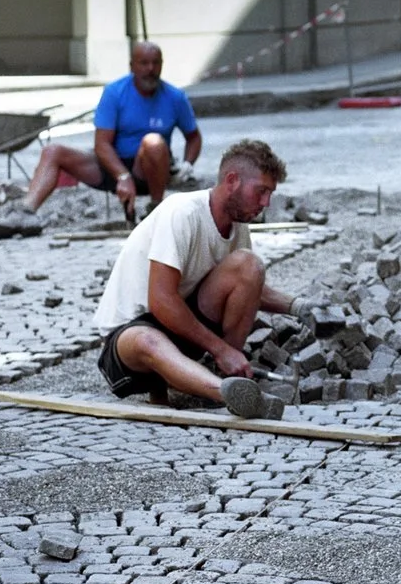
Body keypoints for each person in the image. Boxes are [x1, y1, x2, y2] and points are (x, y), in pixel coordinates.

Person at [94, 138, 293, 418]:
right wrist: (220, 348)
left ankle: (221, 371)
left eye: (269, 194)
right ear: (232, 180)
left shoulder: (238, 226)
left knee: (250, 265)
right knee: (147, 340)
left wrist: (298, 306)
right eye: (261, 191)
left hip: (183, 329)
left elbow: (253, 287)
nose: (266, 203)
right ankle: (225, 391)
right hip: (129, 340)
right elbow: (161, 300)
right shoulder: (182, 212)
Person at [27, 41, 201, 221]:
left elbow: (194, 137)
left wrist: (187, 164)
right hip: (112, 164)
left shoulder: (175, 97)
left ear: (162, 65)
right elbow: (102, 144)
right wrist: (123, 176)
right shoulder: (114, 92)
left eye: (155, 63)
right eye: (144, 63)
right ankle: (25, 212)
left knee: (153, 142)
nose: (150, 69)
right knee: (52, 151)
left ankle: (155, 208)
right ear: (132, 66)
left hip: (151, 170)